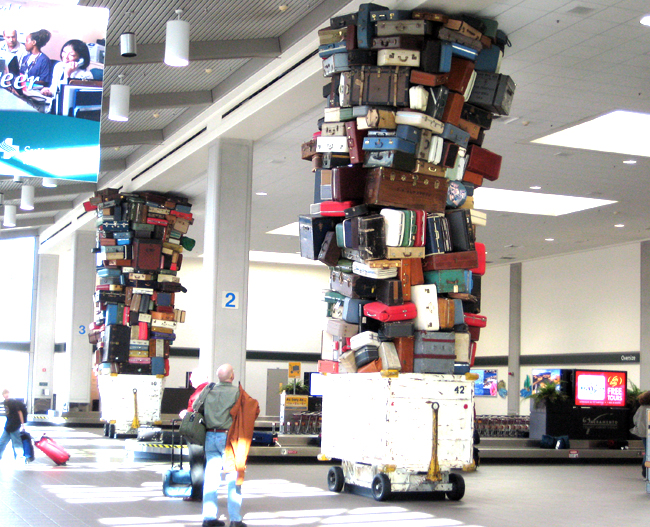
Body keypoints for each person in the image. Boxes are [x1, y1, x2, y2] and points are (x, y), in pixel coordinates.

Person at [195, 364, 259, 527]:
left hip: (210, 436)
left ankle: (208, 518)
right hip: (229, 438)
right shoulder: (237, 392)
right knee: (233, 477)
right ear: (232, 376)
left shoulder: (208, 390)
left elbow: (195, 407)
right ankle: (235, 519)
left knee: (210, 478)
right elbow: (253, 409)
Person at [180, 368, 209, 501]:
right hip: (208, 431)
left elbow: (194, 411)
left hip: (196, 432)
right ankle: (204, 492)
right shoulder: (210, 390)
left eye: (192, 377)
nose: (190, 379)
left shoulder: (200, 392)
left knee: (196, 463)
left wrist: (185, 413)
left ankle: (197, 494)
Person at [0, 389, 27, 461]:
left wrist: (22, 424)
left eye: (7, 393)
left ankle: (20, 458)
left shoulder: (13, 402)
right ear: (3, 395)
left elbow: (20, 412)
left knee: (17, 443)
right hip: (8, 426)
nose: (6, 394)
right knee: (2, 442)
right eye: (5, 393)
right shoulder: (5, 402)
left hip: (15, 425)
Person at [630, 390, 650, 477]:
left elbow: (635, 420)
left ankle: (645, 470)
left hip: (642, 433)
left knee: (647, 451)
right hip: (648, 432)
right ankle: (646, 471)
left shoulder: (641, 408)